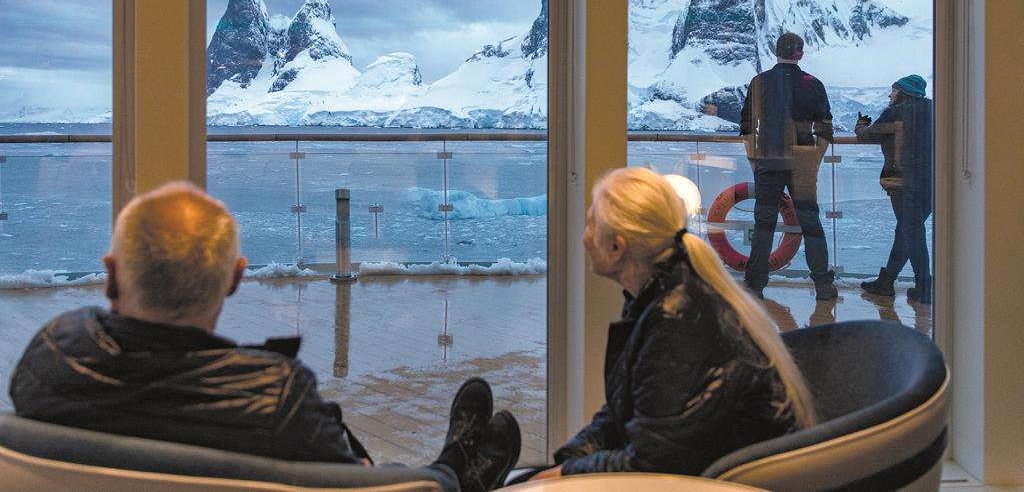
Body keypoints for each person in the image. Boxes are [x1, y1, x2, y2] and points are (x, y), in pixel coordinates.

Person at [9, 182, 518, 492]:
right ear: (235, 277)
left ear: (109, 272)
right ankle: (456, 467)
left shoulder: (49, 358)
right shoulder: (277, 397)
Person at [526, 167, 816, 480]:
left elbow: (652, 465)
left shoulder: (678, 322)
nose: (583, 236)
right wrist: (567, 461)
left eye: (590, 223)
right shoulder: (665, 291)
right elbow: (623, 409)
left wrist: (566, 473)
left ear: (616, 247)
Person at [740, 32, 837, 300]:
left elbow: (747, 128)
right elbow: (825, 129)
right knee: (811, 224)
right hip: (803, 161)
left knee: (764, 224)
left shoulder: (759, 82)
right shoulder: (813, 84)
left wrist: (754, 160)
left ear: (776, 51)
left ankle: (755, 285)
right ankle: (823, 285)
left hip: (767, 161)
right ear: (800, 54)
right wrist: (813, 160)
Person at [855, 75, 933, 304]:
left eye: (894, 90)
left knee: (912, 233)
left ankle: (923, 287)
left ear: (903, 92)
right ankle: (887, 281)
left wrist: (861, 126)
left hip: (901, 182)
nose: (890, 95)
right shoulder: (934, 111)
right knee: (908, 231)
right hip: (930, 182)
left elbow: (868, 135)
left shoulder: (895, 112)